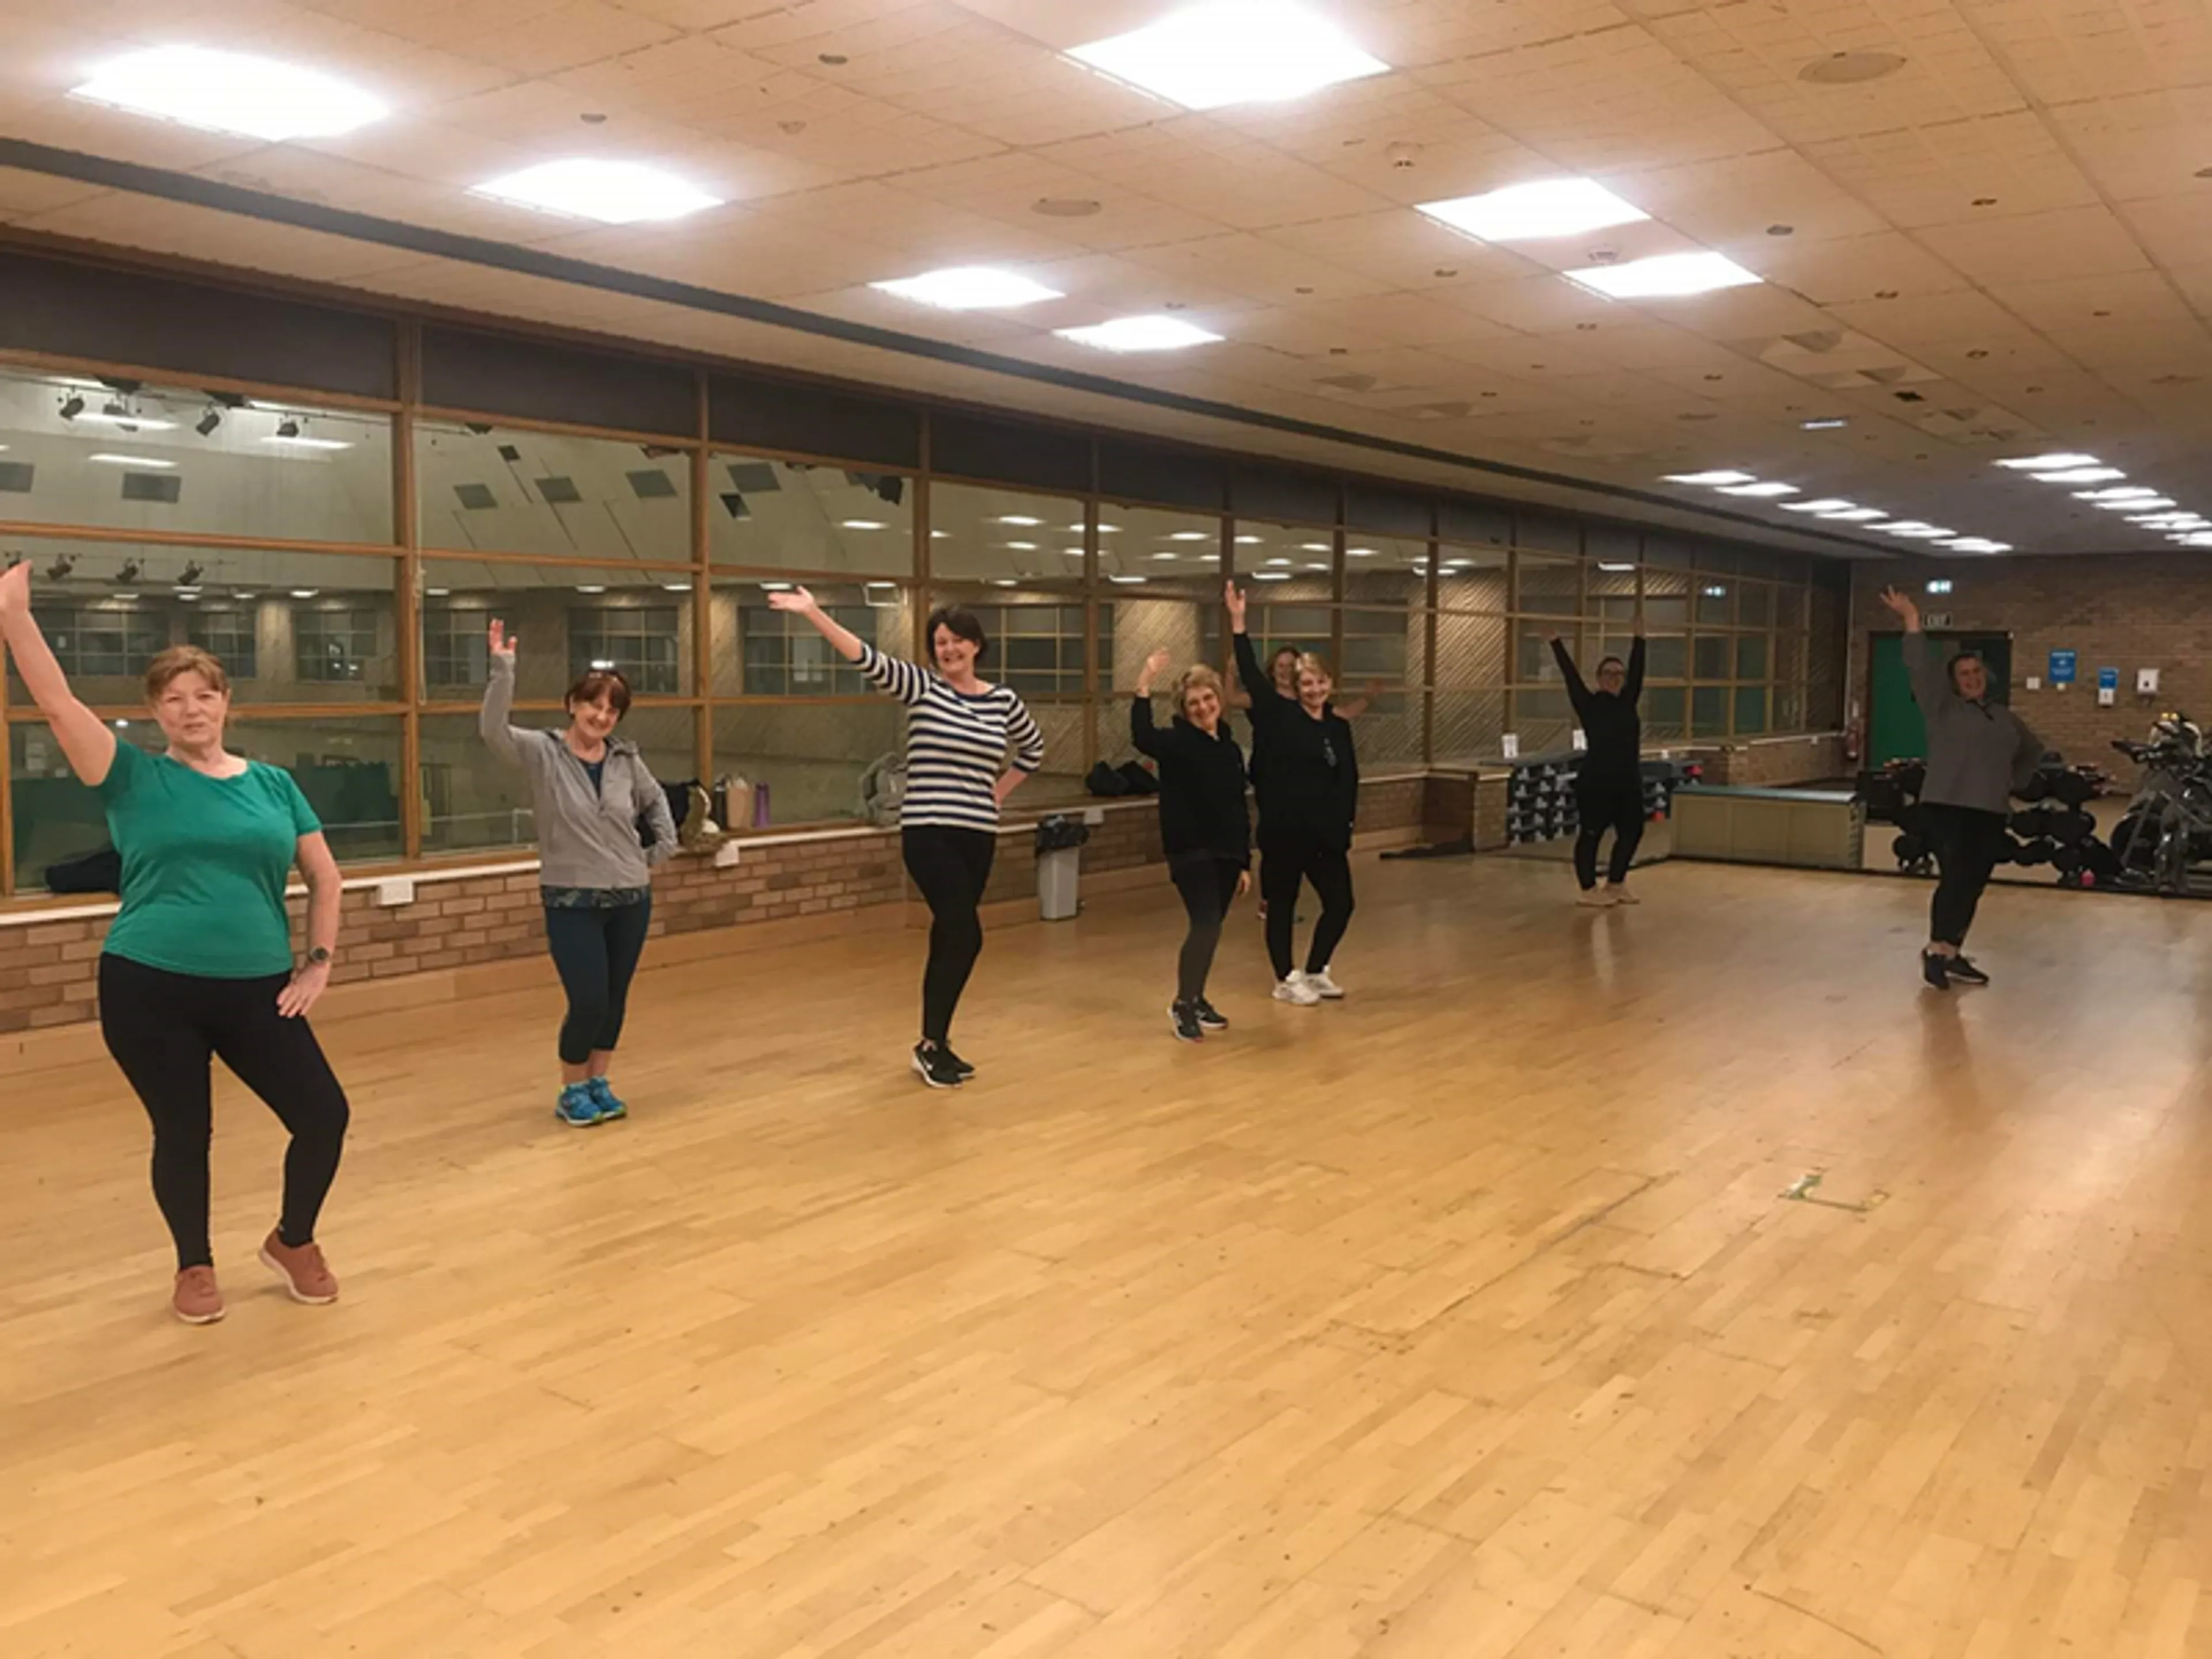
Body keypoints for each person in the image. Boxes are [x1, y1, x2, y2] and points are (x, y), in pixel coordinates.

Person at [0, 560, 348, 1325]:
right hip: (150, 985)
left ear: (227, 702)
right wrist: (14, 617)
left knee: (323, 1115)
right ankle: (194, 1264)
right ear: (156, 712)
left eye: (206, 695)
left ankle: (294, 1241)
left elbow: (326, 877)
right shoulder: (129, 777)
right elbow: (56, 704)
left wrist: (317, 964)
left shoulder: (274, 785)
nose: (193, 709)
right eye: (174, 699)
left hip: (259, 986)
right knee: (185, 1129)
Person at [768, 586, 1044, 1087]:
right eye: (940, 642)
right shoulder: (922, 687)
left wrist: (999, 792)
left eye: (958, 641)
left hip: (977, 833)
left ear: (977, 646)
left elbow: (1034, 749)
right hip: (928, 830)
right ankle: (930, 1044)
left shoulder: (1004, 701)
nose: (949, 650)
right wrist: (813, 613)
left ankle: (935, 1042)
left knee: (948, 936)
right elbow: (864, 656)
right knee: (967, 934)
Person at [480, 621, 678, 1127]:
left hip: (630, 898)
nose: (602, 716)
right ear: (573, 704)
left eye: (612, 710)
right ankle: (571, 1089)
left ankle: (598, 1081)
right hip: (572, 900)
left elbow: (656, 802)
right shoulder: (543, 752)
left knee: (614, 999)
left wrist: (658, 852)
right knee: (587, 997)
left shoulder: (625, 760)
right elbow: (492, 731)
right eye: (594, 705)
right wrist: (503, 671)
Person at [1879, 585, 2045, 988]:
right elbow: (1920, 668)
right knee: (1953, 880)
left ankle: (1953, 952)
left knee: (1972, 884)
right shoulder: (1942, 709)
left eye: (1976, 673)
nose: (1971, 679)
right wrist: (1912, 620)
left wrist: (2013, 782)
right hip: (1947, 807)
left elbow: (2033, 751)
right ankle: (1936, 951)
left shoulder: (2005, 719)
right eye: (1963, 675)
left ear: (1985, 677)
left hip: (1989, 811)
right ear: (1954, 682)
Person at [1227, 579, 1358, 1005]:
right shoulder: (1279, 716)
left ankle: (1318, 969)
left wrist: (1346, 824)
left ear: (1330, 684)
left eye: (1320, 683)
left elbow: (1348, 778)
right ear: (1297, 688)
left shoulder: (1338, 728)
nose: (1314, 690)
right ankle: (1286, 977)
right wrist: (1239, 623)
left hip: (1326, 836)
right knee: (1281, 904)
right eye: (1306, 685)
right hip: (1285, 833)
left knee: (1341, 904)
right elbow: (1249, 673)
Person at [1131, 647, 1251, 1041]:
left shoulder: (1230, 749)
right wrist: (1144, 682)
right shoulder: (1177, 743)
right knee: (1203, 924)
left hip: (1227, 851)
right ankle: (1183, 1003)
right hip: (1190, 850)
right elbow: (1142, 736)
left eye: (1208, 699)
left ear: (1219, 700)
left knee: (1212, 927)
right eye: (1194, 703)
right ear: (1184, 709)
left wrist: (1245, 861)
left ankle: (1197, 996)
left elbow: (1238, 807)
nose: (1202, 708)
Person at [1550, 632, 1648, 907]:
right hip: (1596, 782)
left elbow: (1639, 670)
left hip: (1628, 781)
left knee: (1633, 831)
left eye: (1619, 673)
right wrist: (1556, 643)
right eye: (1608, 673)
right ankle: (1588, 888)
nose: (1614, 677)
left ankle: (1616, 883)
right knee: (1591, 834)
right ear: (1599, 678)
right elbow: (1570, 676)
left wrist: (1640, 640)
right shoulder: (1589, 703)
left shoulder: (1628, 701)